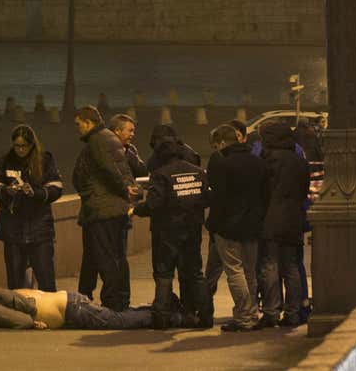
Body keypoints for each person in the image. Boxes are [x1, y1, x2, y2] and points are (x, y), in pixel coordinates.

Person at [135, 137, 209, 329]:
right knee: (195, 273)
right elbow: (206, 199)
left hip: (167, 232)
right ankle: (206, 316)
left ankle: (161, 318)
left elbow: (154, 204)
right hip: (192, 230)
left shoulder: (161, 175)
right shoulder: (198, 172)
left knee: (164, 273)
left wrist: (136, 209)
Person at [205, 122, 269, 331]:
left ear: (222, 143)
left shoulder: (222, 163)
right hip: (253, 225)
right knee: (249, 272)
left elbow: (218, 196)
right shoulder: (257, 162)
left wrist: (213, 224)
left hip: (228, 226)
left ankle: (244, 317)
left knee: (235, 272)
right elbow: (264, 194)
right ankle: (251, 315)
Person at [73, 105, 136, 309]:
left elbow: (112, 171)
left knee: (106, 258)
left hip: (102, 208)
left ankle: (113, 302)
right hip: (112, 208)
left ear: (88, 122)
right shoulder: (107, 138)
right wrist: (129, 190)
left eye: (79, 124)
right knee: (115, 256)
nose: (77, 128)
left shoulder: (98, 140)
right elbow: (121, 171)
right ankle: (118, 299)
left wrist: (125, 189)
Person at [0, 124, 63, 290]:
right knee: (15, 282)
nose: (20, 150)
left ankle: (48, 314)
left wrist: (35, 193)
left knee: (46, 279)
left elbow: (56, 188)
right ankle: (19, 313)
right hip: (13, 230)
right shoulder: (4, 162)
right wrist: (6, 191)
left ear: (32, 145)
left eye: (24, 146)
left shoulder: (45, 160)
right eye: (17, 146)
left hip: (40, 229)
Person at [257, 120, 312, 327]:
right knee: (291, 266)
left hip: (271, 217)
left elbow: (262, 190)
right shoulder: (299, 161)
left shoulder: (267, 160)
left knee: (270, 265)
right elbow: (304, 189)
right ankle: (294, 312)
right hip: (294, 218)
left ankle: (271, 311)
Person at [0, 287, 157, 331]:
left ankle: (165, 315)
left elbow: (22, 320)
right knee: (118, 316)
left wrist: (33, 324)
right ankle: (152, 309)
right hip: (68, 300)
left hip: (70, 310)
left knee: (120, 322)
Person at [109, 113, 147, 181]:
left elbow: (143, 172)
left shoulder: (131, 149)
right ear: (117, 130)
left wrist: (127, 152)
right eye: (130, 131)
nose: (132, 134)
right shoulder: (105, 149)